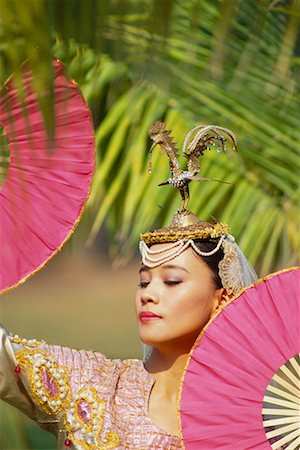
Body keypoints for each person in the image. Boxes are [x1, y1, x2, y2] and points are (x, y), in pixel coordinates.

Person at [0, 123, 258, 449]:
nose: (148, 294)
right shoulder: (95, 385)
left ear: (222, 299)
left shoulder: (253, 419)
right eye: (144, 281)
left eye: (172, 281)